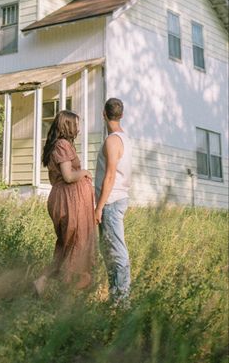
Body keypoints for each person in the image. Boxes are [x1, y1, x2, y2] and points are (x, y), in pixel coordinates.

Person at [34, 110, 96, 296]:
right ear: (68, 125)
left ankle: (45, 282)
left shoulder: (59, 145)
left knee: (66, 245)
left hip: (67, 199)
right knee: (75, 242)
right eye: (76, 124)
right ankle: (65, 290)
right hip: (69, 201)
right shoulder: (62, 145)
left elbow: (57, 179)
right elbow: (68, 177)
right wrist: (84, 172)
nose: (78, 128)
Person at [94, 97, 132, 304]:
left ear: (104, 114)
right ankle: (115, 298)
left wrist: (99, 207)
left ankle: (121, 302)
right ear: (122, 115)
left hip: (111, 201)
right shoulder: (124, 138)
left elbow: (110, 175)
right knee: (109, 250)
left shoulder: (112, 141)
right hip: (117, 198)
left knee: (117, 251)